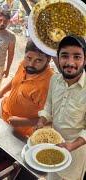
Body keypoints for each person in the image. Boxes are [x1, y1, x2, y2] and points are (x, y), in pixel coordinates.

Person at [36, 35, 86, 180]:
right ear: (58, 58)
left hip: (76, 154)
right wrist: (42, 120)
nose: (70, 63)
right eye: (65, 56)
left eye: (77, 57)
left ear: (85, 60)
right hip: (53, 145)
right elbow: (49, 106)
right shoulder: (55, 80)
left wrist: (71, 145)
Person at [0, 40, 53, 137]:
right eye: (28, 58)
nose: (31, 64)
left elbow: (51, 118)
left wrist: (22, 122)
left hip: (21, 129)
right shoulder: (24, 64)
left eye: (38, 60)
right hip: (4, 107)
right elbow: (16, 79)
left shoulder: (48, 85)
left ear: (48, 60)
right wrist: (2, 91)